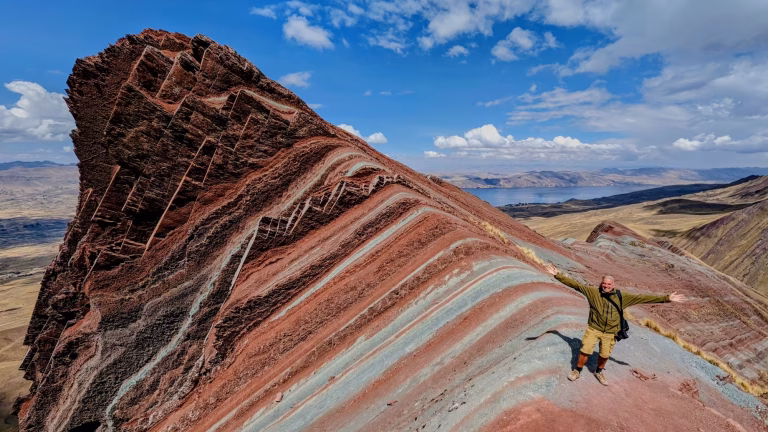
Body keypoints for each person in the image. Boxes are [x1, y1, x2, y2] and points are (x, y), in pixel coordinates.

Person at [544, 263, 686, 385]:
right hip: (594, 328)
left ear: (613, 285)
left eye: (608, 284)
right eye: (604, 283)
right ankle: (577, 370)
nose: (606, 286)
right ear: (601, 283)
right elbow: (576, 285)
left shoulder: (621, 296)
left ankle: (599, 372)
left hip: (610, 332)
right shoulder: (593, 292)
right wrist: (557, 275)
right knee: (585, 351)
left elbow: (642, 297)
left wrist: (666, 298)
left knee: (605, 354)